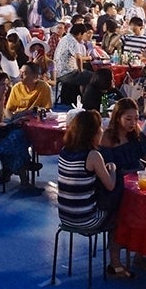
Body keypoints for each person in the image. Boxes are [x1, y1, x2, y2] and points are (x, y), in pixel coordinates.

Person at [57, 110, 133, 277]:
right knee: (119, 216)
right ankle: (116, 264)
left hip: (65, 216)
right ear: (93, 133)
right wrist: (112, 168)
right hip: (86, 218)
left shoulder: (64, 151)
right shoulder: (93, 155)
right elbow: (111, 185)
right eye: (99, 129)